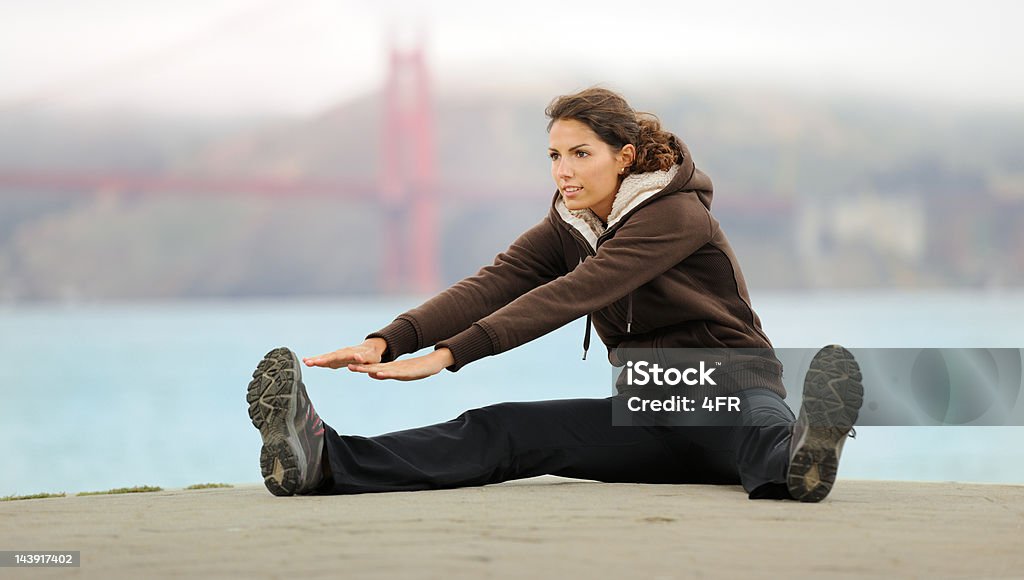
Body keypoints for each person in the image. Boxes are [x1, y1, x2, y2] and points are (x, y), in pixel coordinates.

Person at [245, 87, 863, 502]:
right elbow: (496, 282)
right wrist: (390, 338)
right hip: (644, 404)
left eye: (580, 154)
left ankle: (801, 460)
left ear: (624, 157)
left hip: (727, 384)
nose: (563, 170)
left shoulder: (675, 215)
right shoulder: (568, 224)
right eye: (554, 155)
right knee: (503, 429)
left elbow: (578, 291)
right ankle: (324, 462)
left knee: (759, 429)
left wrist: (447, 356)